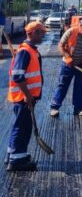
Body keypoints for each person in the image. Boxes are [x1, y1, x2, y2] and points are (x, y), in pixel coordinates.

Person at [6, 21, 47, 171]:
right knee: (22, 127)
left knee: (21, 126)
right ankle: (17, 160)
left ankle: (13, 154)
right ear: (33, 33)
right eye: (41, 33)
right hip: (23, 97)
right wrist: (28, 95)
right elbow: (18, 76)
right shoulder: (25, 51)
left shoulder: (30, 50)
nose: (43, 36)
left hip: (26, 97)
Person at [49, 17, 82, 117]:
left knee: (80, 86)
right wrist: (67, 56)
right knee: (63, 85)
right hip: (67, 63)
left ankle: (78, 108)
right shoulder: (71, 31)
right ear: (81, 25)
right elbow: (60, 46)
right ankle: (54, 107)